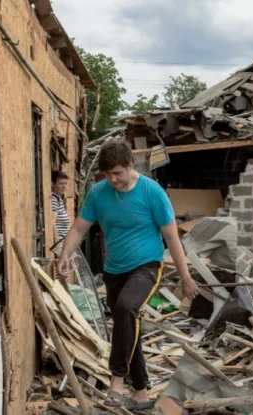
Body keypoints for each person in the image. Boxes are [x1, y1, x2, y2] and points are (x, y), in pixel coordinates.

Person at [55, 140, 199, 410]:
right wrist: (65, 254)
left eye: (118, 173)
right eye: (107, 174)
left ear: (130, 166)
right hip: (113, 270)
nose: (113, 179)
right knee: (128, 323)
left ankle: (117, 382)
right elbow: (78, 229)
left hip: (147, 265)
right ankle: (141, 392)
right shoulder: (99, 193)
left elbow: (171, 236)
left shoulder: (152, 193)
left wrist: (185, 276)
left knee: (125, 308)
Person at [50, 170, 70, 257]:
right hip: (59, 246)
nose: (64, 186)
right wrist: (58, 247)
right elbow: (53, 224)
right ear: (53, 184)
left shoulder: (59, 199)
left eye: (65, 184)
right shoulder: (54, 199)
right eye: (61, 183)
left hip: (64, 245)